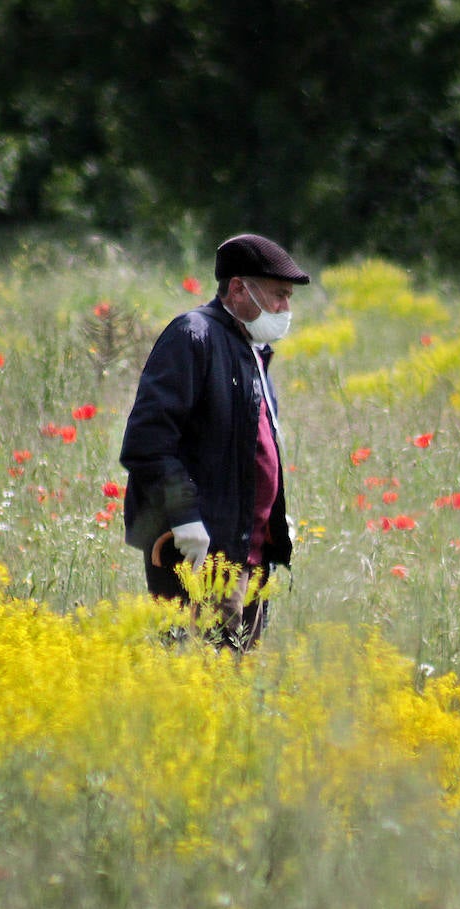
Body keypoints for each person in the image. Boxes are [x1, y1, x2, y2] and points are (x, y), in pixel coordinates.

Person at [120, 233, 309, 651]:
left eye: (289, 297)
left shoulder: (252, 349)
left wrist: (273, 520)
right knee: (202, 681)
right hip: (200, 551)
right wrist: (183, 515)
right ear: (239, 288)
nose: (285, 308)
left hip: (248, 549)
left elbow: (253, 449)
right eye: (279, 295)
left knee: (234, 682)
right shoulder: (193, 335)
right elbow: (147, 443)